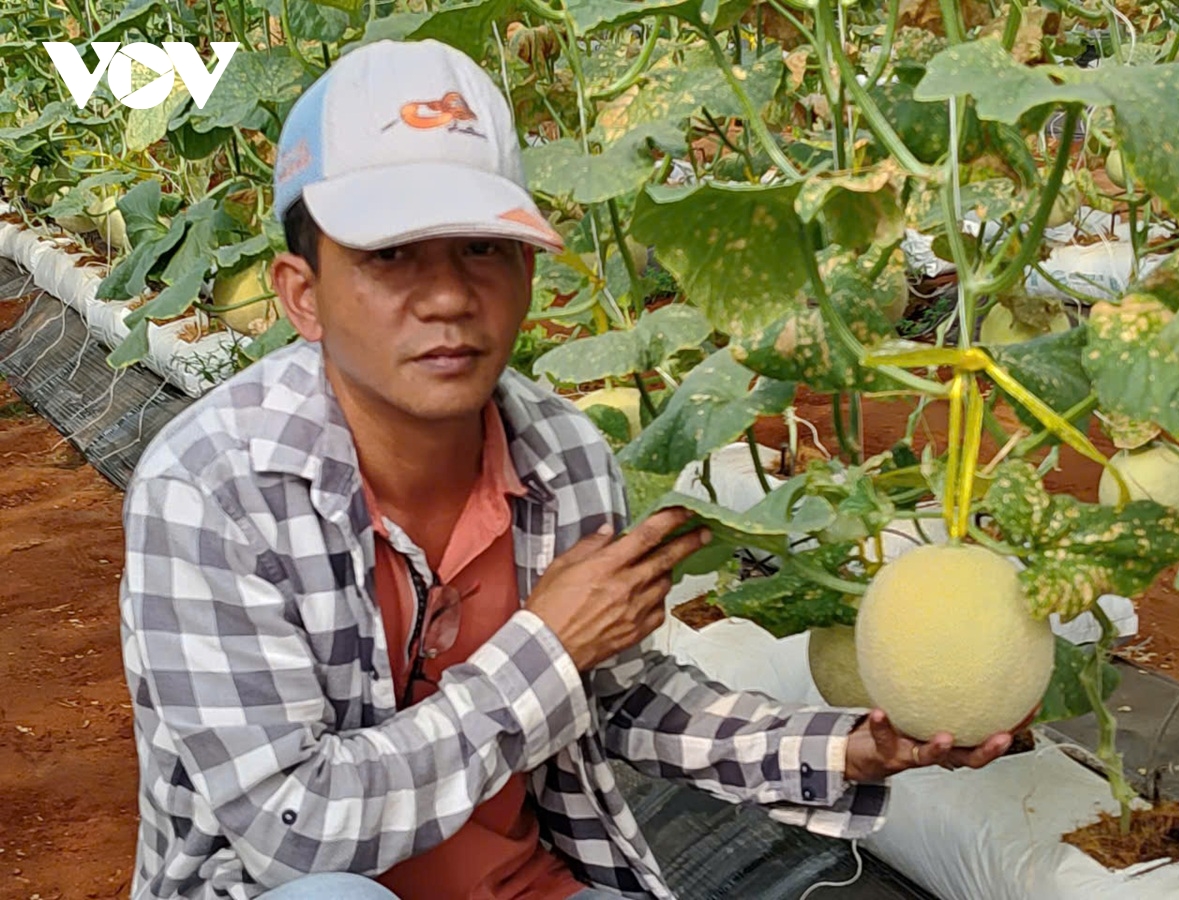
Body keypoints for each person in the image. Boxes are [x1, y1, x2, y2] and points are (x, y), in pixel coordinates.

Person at [118, 38, 1020, 900]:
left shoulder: (564, 455)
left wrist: (844, 752)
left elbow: (618, 698)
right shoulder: (210, 490)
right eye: (391, 256)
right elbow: (294, 828)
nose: (448, 297)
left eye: (482, 249)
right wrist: (546, 646)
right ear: (302, 296)